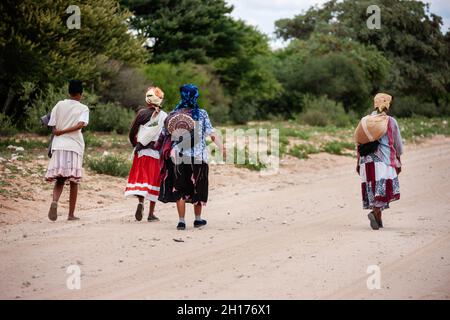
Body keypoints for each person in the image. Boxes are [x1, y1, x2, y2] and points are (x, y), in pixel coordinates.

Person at [157, 84, 225, 230]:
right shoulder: (201, 114)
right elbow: (212, 134)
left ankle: (181, 221)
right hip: (198, 157)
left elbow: (163, 135)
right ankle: (198, 219)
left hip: (178, 156)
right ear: (195, 96)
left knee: (179, 188)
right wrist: (222, 148)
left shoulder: (173, 114)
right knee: (198, 187)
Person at [356, 93, 403, 230]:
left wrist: (358, 162)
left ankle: (378, 219)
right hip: (383, 159)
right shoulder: (390, 121)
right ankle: (375, 213)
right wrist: (398, 157)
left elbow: (358, 142)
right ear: (387, 105)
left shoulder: (365, 120)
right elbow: (397, 143)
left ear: (374, 104)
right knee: (382, 188)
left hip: (366, 160)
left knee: (374, 188)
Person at [45, 80, 89, 221]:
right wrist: (64, 131)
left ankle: (54, 202)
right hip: (74, 146)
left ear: (69, 92)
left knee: (60, 180)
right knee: (74, 181)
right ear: (81, 94)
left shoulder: (59, 105)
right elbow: (80, 125)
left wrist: (59, 132)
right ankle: (71, 214)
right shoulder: (83, 108)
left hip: (58, 146)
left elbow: (52, 126)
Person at [124, 87, 168, 222]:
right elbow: (165, 136)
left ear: (147, 99)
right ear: (160, 100)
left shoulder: (141, 113)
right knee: (154, 181)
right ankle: (151, 213)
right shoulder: (164, 116)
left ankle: (141, 202)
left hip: (142, 151)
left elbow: (132, 132)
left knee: (142, 179)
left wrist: (136, 145)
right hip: (156, 153)